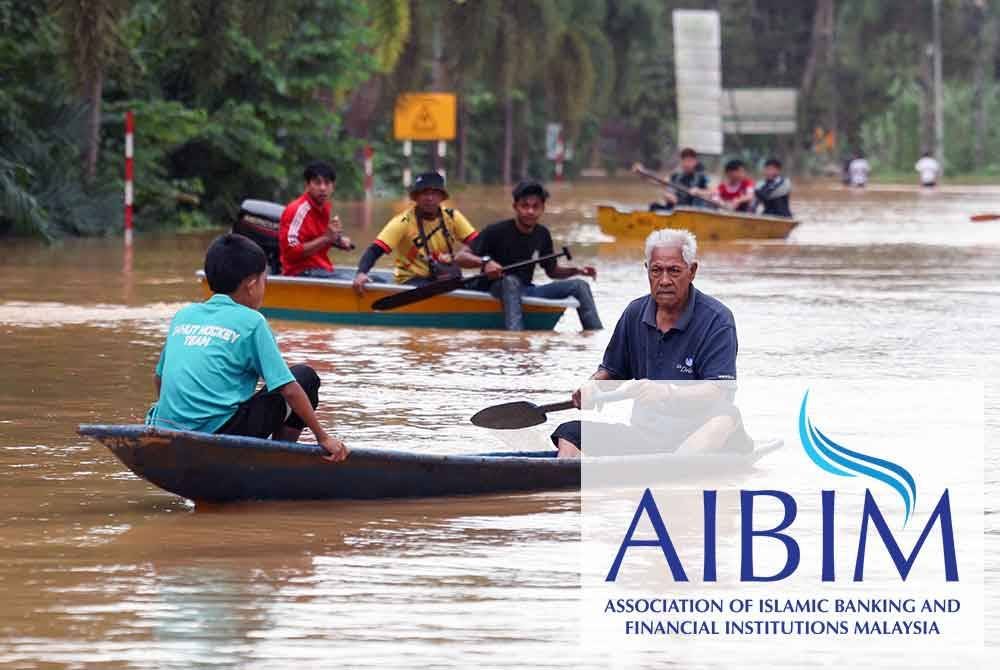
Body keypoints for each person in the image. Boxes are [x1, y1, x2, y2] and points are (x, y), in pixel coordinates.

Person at [147, 233, 347, 462]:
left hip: (167, 429)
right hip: (219, 435)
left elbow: (159, 378)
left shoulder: (183, 315)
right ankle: (280, 460)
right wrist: (323, 438)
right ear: (252, 285)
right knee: (305, 378)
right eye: (265, 280)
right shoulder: (253, 322)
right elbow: (288, 389)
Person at [550, 228, 746, 458]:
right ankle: (568, 485)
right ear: (647, 270)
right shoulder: (635, 313)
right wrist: (593, 385)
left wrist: (667, 392)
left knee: (724, 418)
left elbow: (718, 390)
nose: (664, 280)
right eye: (656, 271)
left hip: (702, 432)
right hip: (649, 435)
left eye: (674, 271)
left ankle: (676, 474)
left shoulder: (717, 319)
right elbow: (612, 371)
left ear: (692, 271)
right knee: (569, 433)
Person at [467, 180, 603, 331]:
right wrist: (485, 262)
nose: (530, 211)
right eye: (525, 206)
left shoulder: (542, 234)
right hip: (496, 288)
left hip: (527, 289)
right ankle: (516, 339)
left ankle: (595, 335)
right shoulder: (496, 231)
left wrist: (576, 271)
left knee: (580, 285)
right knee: (511, 282)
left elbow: (552, 271)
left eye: (535, 206)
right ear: (515, 207)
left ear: (543, 209)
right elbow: (461, 257)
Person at [353, 172, 482, 291]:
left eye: (435, 193)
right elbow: (375, 250)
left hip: (445, 278)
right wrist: (361, 273)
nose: (429, 198)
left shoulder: (453, 216)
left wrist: (487, 263)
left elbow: (479, 244)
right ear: (416, 197)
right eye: (424, 193)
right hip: (412, 282)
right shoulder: (402, 222)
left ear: (442, 197)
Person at [279, 161, 355, 279]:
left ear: (333, 187)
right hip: (300, 273)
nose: (323, 188)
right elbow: (290, 253)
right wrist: (326, 238)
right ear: (308, 185)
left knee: (373, 278)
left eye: (327, 183)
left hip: (321, 269)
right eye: (317, 183)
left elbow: (317, 238)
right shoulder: (297, 210)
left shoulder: (324, 207)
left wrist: (338, 241)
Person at [641, 148, 712, 211]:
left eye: (690, 161)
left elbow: (712, 192)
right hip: (676, 209)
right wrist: (644, 174)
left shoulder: (702, 176)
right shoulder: (675, 175)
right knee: (654, 206)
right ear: (681, 161)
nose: (687, 164)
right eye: (684, 161)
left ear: (695, 162)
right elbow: (661, 182)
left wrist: (698, 191)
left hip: (692, 211)